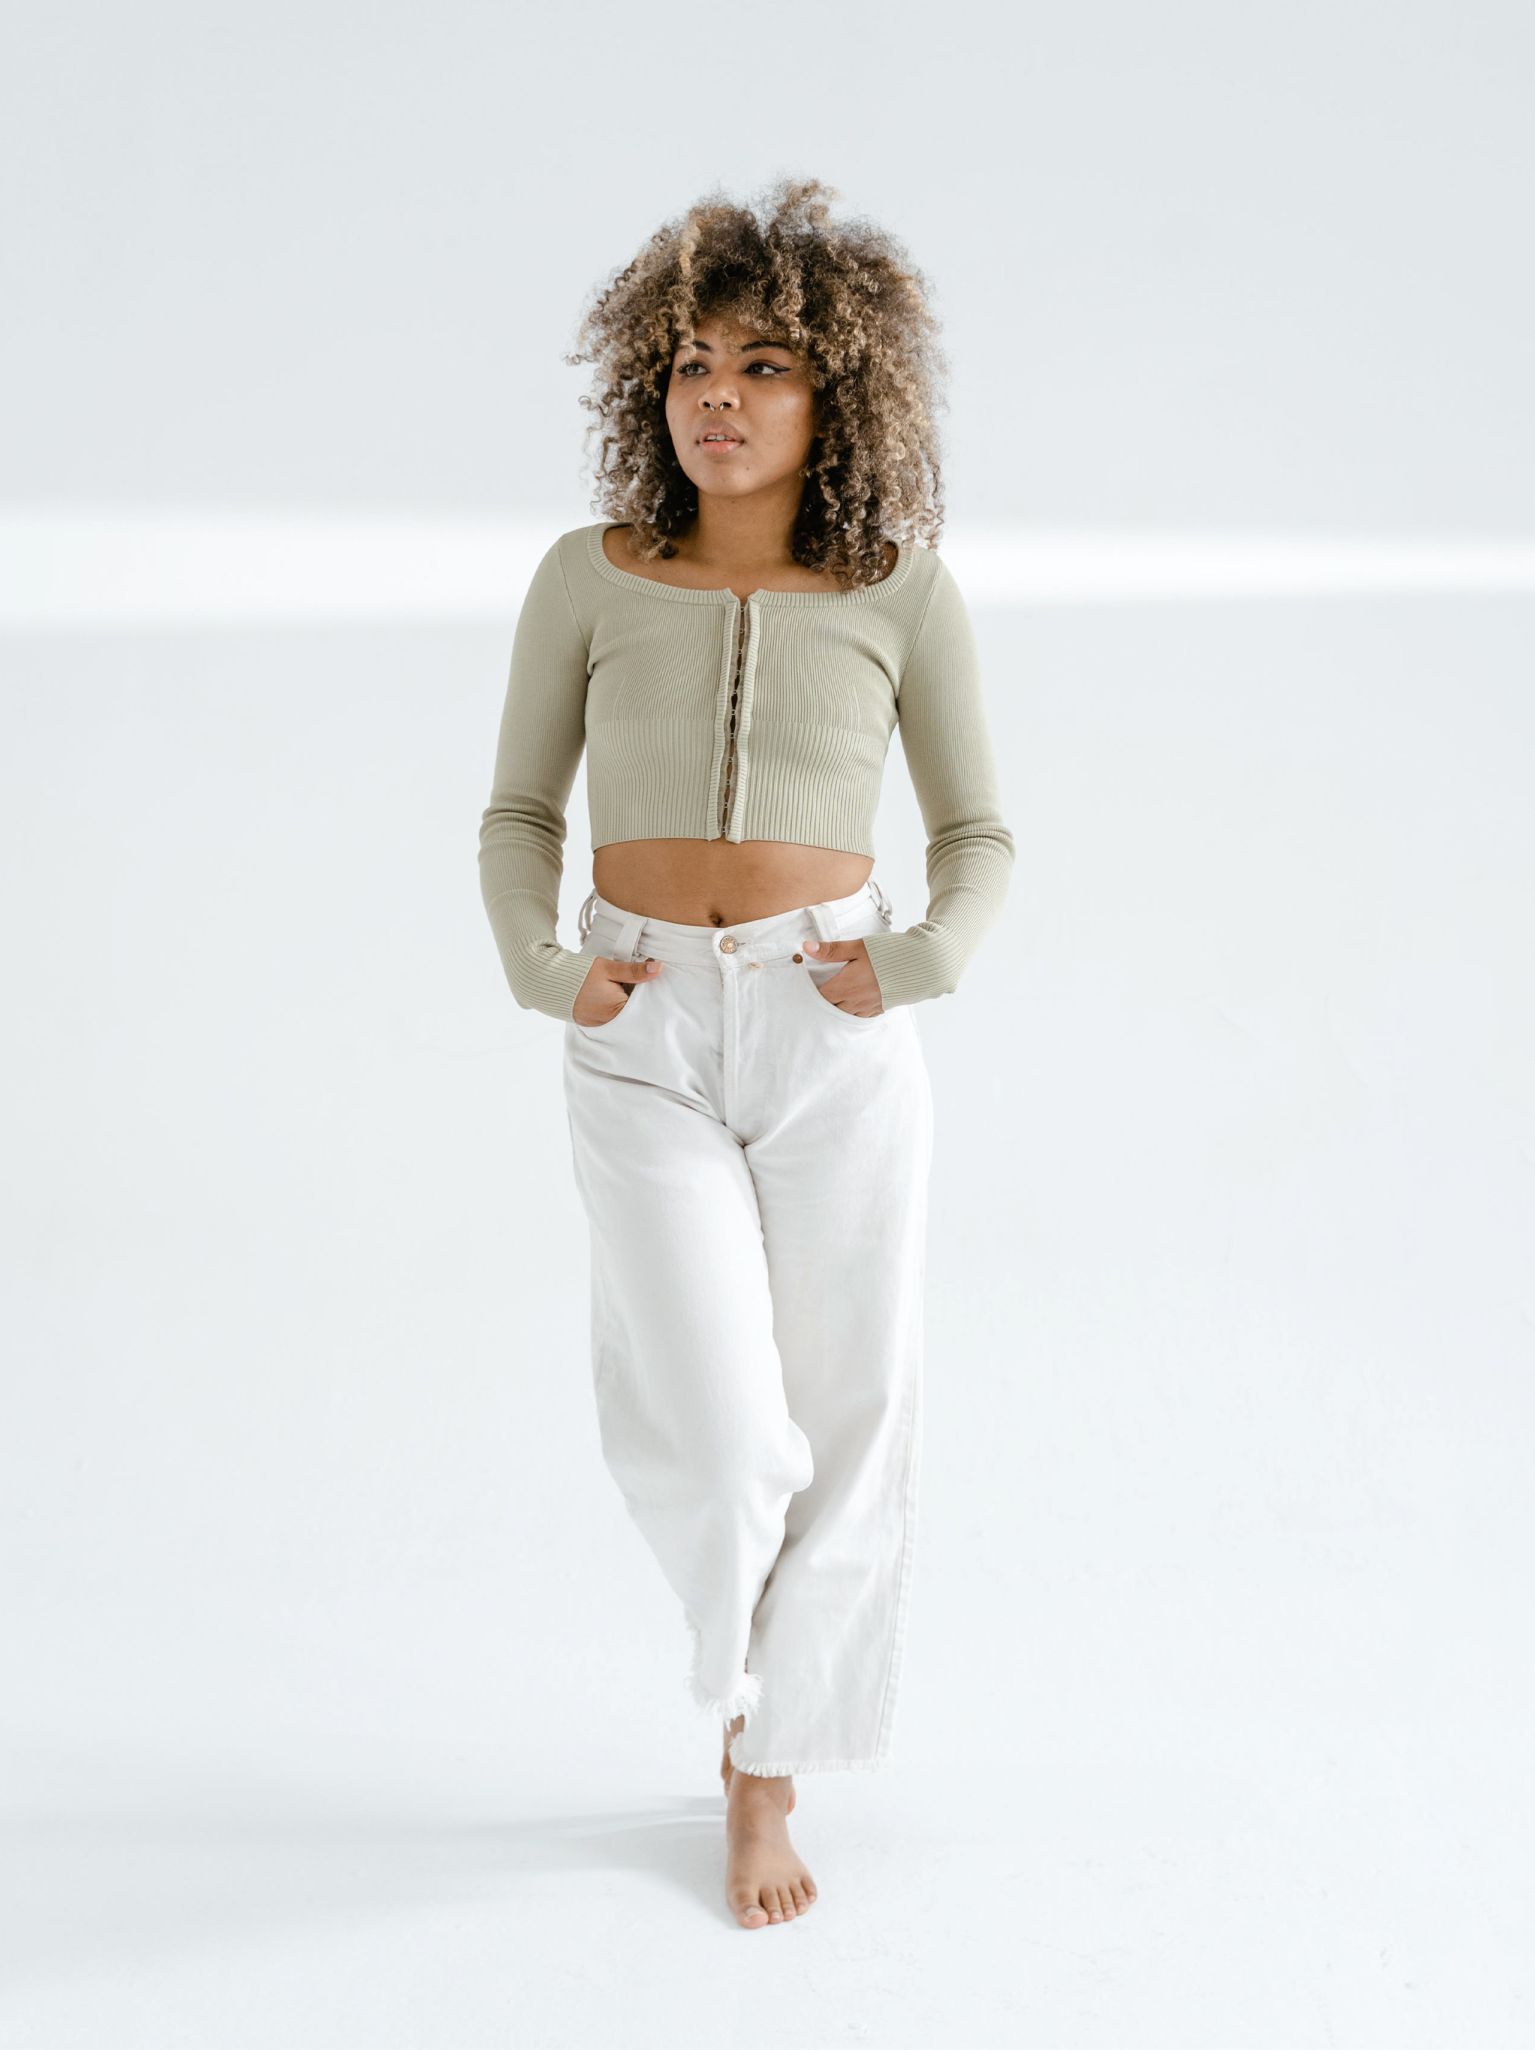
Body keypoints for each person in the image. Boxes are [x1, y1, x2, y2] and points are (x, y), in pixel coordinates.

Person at [477, 177, 1015, 1930]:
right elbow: (517, 811)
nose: (718, 395)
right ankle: (740, 1685)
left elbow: (980, 834)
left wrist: (919, 960)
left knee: (852, 1411)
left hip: (828, 1022)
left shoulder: (898, 590)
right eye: (692, 363)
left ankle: (767, 1764)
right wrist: (546, 970)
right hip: (639, 1027)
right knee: (721, 1438)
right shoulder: (589, 577)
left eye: (763, 365)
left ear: (834, 389)